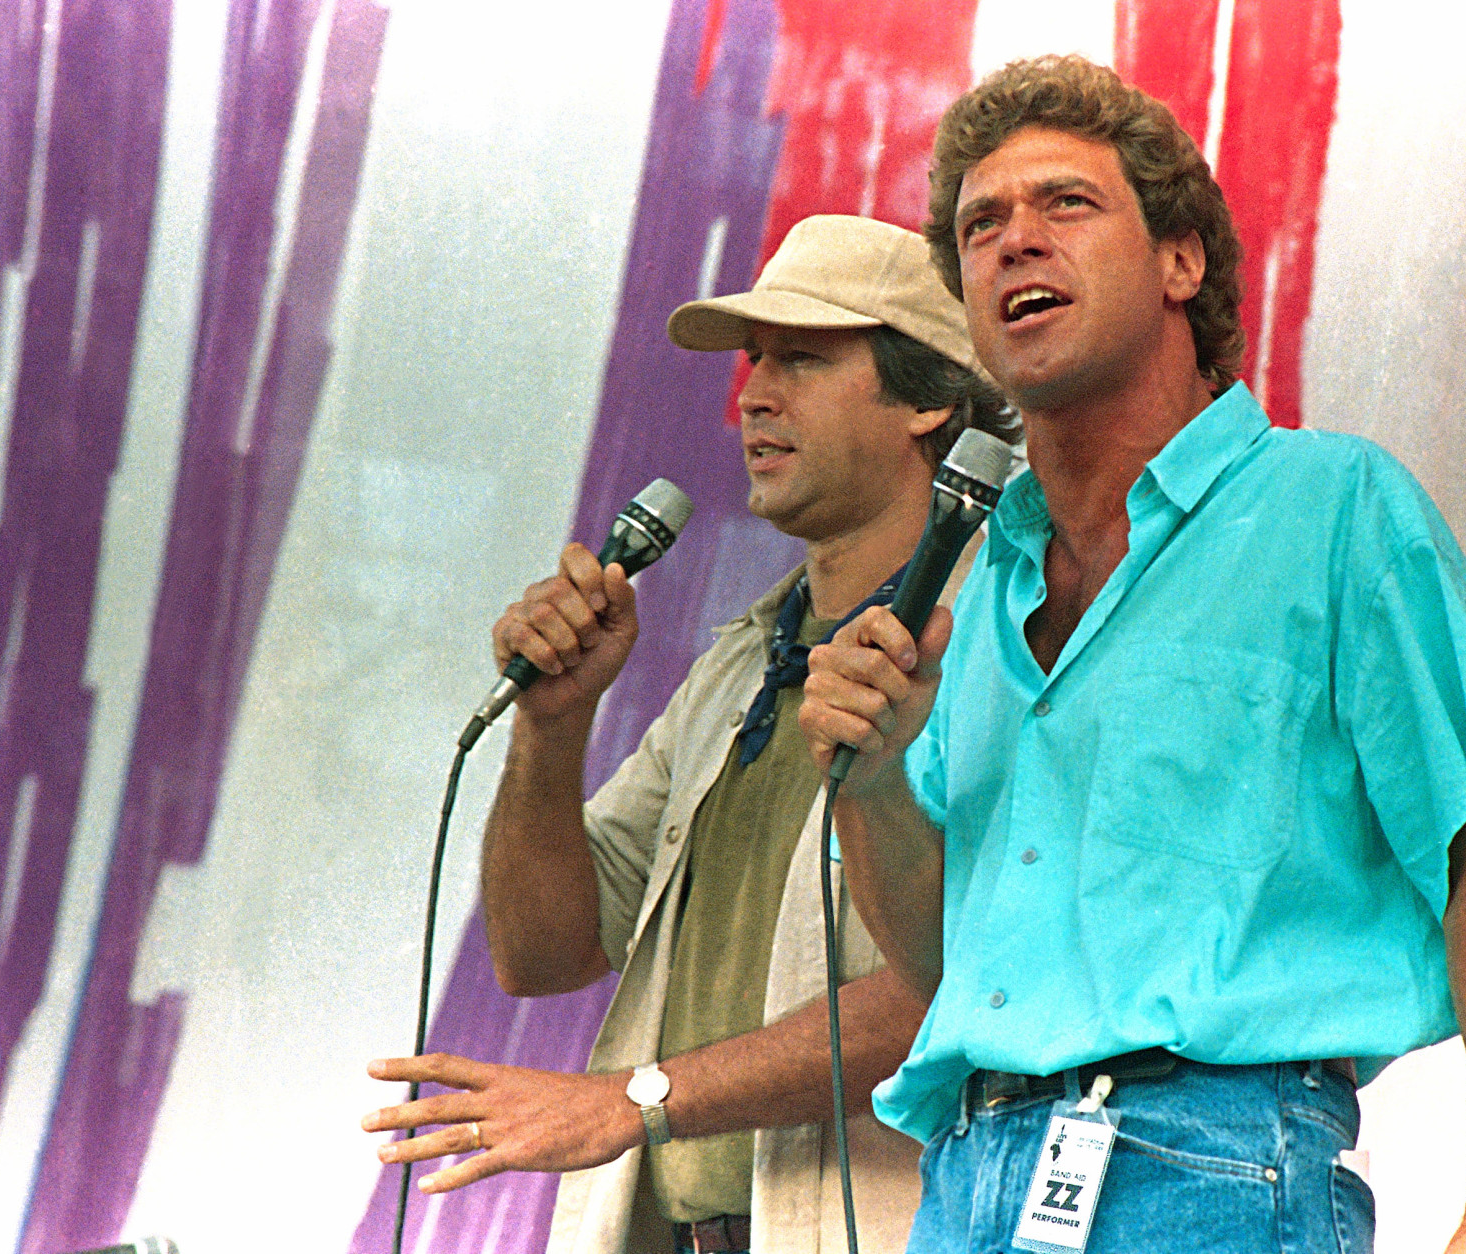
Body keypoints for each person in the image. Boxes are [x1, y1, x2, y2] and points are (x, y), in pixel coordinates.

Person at [799, 57, 1466, 1254]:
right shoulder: (979, 586)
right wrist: (873, 785)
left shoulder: (1332, 506)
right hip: (965, 1176)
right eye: (979, 227)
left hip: (1213, 1166)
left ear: (1179, 262)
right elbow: (946, 961)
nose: (1013, 240)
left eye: (1064, 203)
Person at [361, 214, 1018, 1254]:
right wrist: (550, 727)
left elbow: (974, 980)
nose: (753, 394)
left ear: (929, 399)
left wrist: (636, 1100)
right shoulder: (740, 664)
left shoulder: (1006, 643)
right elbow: (541, 952)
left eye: (802, 359)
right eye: (755, 361)